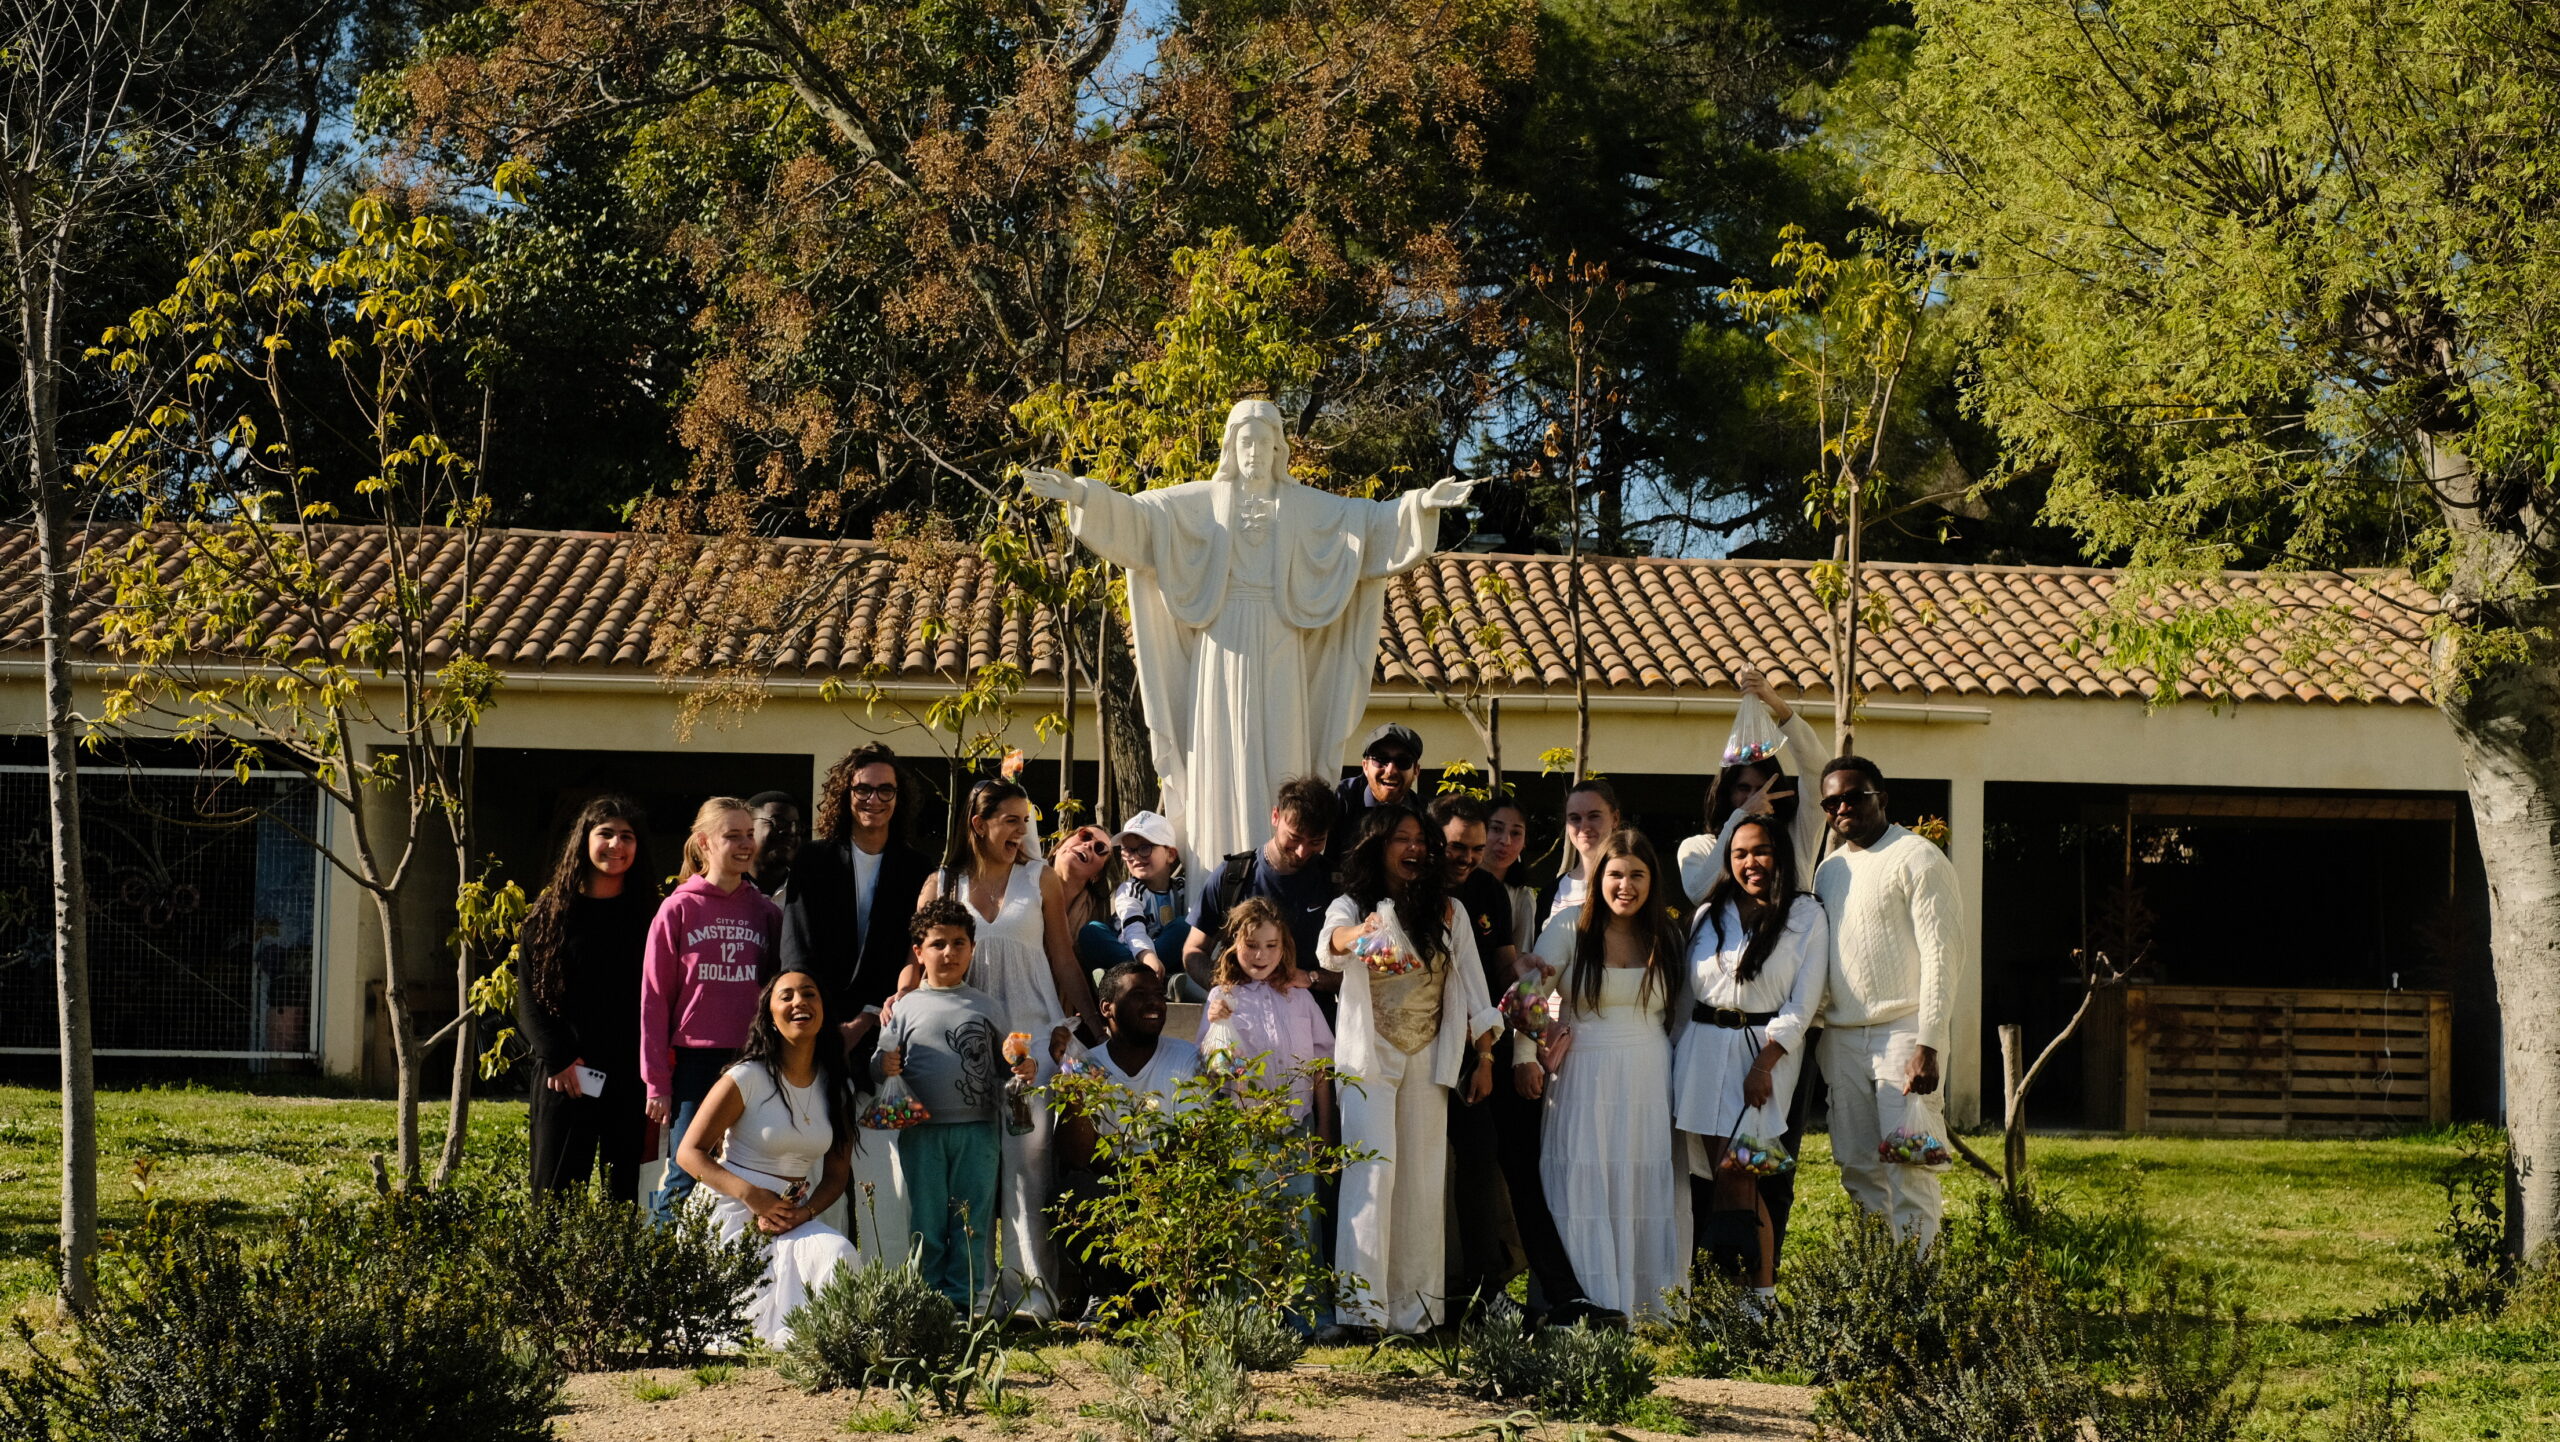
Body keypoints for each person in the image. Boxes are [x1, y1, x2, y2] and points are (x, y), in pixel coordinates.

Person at [914, 779, 1102, 1319]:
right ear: (979, 824)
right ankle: (968, 1297)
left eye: (1026, 820)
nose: (1023, 831)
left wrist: (1094, 1030)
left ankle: (1030, 1300)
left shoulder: (1039, 878)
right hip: (961, 1050)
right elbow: (919, 955)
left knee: (1027, 1172)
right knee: (969, 1176)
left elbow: (1063, 960)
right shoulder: (941, 884)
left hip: (1034, 1044)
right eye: (1011, 820)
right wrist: (900, 1001)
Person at [1321, 808, 1503, 1338]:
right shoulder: (1349, 904)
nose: (1414, 848)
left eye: (1420, 840)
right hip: (1369, 1054)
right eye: (1401, 839)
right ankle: (1361, 1312)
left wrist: (1486, 1058)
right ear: (1377, 846)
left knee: (1423, 1182)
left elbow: (1474, 987)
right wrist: (1364, 932)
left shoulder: (1450, 911)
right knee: (1372, 1175)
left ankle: (1417, 1314)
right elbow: (1329, 946)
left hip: (1428, 1054)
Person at [1434, 794, 1604, 1325]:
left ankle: (1556, 1291)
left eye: (1477, 846)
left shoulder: (1490, 891)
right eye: (1458, 846)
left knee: (1517, 1169)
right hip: (1437, 1046)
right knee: (1476, 1162)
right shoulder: (1416, 891)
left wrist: (1534, 1032)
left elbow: (1511, 973)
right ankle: (1477, 1293)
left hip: (1495, 1046)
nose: (1469, 856)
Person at [1524, 831, 1691, 1321]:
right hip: (1584, 1071)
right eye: (1616, 874)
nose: (1626, 885)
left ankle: (1647, 1303)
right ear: (1599, 879)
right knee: (1586, 1177)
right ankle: (1584, 1300)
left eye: (1637, 875)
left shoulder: (1667, 935)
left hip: (1647, 1072)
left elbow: (1678, 1016)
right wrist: (1532, 1046)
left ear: (1652, 881)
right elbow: (1525, 997)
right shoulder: (1569, 926)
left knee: (1639, 1176)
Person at [780, 742, 936, 1258]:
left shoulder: (918, 869)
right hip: (816, 1032)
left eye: (885, 789)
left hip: (883, 1034)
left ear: (899, 797)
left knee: (881, 1173)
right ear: (845, 794)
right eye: (863, 788)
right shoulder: (814, 860)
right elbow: (797, 951)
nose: (874, 798)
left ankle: (885, 1282)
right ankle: (815, 1283)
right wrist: (825, 1027)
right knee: (816, 1162)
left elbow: (916, 949)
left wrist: (870, 1017)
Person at [1672, 815, 1827, 1304]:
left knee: (1743, 1175)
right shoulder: (1708, 913)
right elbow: (1683, 995)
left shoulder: (1805, 914)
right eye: (1739, 854)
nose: (1750, 862)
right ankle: (1727, 1297)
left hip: (1760, 1055)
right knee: (1720, 1178)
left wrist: (1765, 1064)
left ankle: (1758, 1301)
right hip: (1701, 1051)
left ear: (1779, 853)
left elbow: (1803, 1004)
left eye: (1760, 851)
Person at [1813, 756, 1962, 1249]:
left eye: (1854, 796)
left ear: (1883, 798)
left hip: (1904, 1034)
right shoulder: (1829, 870)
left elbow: (1943, 957)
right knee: (1858, 1169)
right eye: (1831, 802)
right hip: (1842, 1038)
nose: (1842, 808)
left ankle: (1917, 1302)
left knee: (1910, 1168)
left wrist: (1930, 1043)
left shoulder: (1918, 857)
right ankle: (1880, 1296)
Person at [674, 969, 859, 1345]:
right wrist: (752, 1196)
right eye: (786, 996)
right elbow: (688, 1153)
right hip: (729, 1212)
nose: (799, 1002)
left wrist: (803, 1214)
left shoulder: (837, 1086)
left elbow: (837, 1176)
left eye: (809, 994)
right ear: (770, 1017)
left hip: (790, 1217)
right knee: (735, 1334)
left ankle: (825, 1348)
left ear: (822, 1012)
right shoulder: (747, 1077)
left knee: (838, 1253)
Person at [877, 899, 1036, 1311]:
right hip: (920, 1133)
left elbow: (1008, 1065)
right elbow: (880, 1065)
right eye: (938, 944)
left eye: (959, 943)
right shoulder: (905, 1007)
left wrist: (1023, 1067)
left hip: (979, 1131)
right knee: (926, 1224)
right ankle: (926, 1306)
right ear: (919, 952)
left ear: (972, 949)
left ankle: (967, 1305)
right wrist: (884, 1064)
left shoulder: (988, 1006)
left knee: (971, 1223)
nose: (948, 953)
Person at [642, 798, 782, 1224]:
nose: (745, 844)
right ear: (703, 843)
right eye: (732, 835)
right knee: (688, 1170)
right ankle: (664, 1270)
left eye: (748, 834)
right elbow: (653, 998)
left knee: (752, 1171)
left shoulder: (764, 911)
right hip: (697, 1065)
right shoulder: (678, 909)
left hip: (754, 1060)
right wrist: (656, 1082)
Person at [517, 795, 654, 1202]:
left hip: (632, 1079)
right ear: (584, 842)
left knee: (626, 1198)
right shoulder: (549, 916)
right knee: (555, 1199)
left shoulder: (653, 916)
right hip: (566, 1078)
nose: (616, 845)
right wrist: (557, 1058)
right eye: (605, 834)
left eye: (626, 836)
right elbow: (528, 999)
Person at [1184, 775, 1342, 1009]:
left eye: (1316, 841)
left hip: (1313, 1029)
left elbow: (1355, 972)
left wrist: (1311, 979)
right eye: (1294, 838)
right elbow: (1193, 950)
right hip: (1242, 1025)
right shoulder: (1233, 875)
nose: (1302, 851)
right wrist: (1226, 987)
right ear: (1275, 816)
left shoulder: (1335, 883)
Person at [1676, 669, 1827, 906]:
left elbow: (1818, 774)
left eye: (1762, 788)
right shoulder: (1699, 847)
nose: (1755, 797)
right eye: (1744, 788)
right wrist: (1742, 816)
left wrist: (1775, 702)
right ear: (1727, 793)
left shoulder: (1796, 835)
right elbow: (1699, 893)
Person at [1198, 896, 1335, 1131]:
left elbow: (1321, 1069)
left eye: (1271, 945)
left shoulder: (1300, 997)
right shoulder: (1222, 997)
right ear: (1235, 944)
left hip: (1300, 1125)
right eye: (1251, 945)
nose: (1261, 955)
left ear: (1284, 947)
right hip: (1245, 1129)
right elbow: (1209, 1068)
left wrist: (1326, 1132)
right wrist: (1215, 1022)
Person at [1092, 811, 1192, 993]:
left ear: (1170, 854)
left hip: (1162, 954)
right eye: (1128, 850)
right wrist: (1146, 956)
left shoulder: (1183, 887)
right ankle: (1137, 977)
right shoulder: (1130, 889)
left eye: (1145, 848)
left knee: (1185, 926)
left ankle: (1119, 977)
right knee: (1092, 931)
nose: (1135, 857)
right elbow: (1133, 927)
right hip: (1129, 949)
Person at [1329, 723, 1428, 865]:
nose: (1390, 770)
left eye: (1403, 761)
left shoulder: (1425, 814)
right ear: (1365, 766)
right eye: (1380, 759)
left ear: (1416, 771)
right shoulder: (1338, 801)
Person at [1541, 777, 1624, 925]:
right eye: (1575, 818)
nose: (1584, 827)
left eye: (1594, 816)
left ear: (1615, 819)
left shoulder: (1631, 885)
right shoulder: (1550, 894)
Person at [1483, 793, 1538, 955]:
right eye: (1496, 829)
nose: (1505, 841)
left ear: (1524, 842)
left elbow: (1519, 959)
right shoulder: (1456, 885)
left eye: (1515, 833)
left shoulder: (1523, 898)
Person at [1052, 824, 1115, 946]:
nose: (1089, 844)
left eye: (1100, 848)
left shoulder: (1095, 928)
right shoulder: (1020, 881)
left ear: (1097, 875)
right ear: (1057, 848)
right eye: (1085, 836)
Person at [748, 790, 803, 897]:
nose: (791, 831)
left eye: (797, 826)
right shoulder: (724, 889)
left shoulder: (811, 893)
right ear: (749, 828)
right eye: (778, 822)